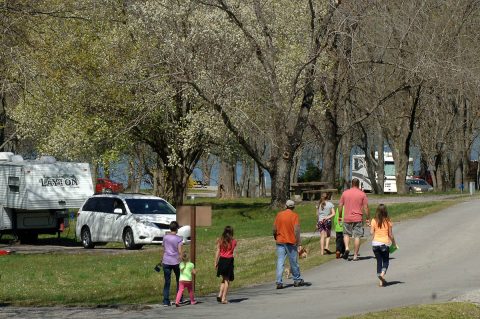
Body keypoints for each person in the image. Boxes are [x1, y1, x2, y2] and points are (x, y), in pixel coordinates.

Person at [273, 199, 305, 289]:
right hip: (290, 241)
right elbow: (297, 230)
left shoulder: (279, 215)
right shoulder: (294, 216)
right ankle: (297, 280)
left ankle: (279, 282)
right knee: (293, 261)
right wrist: (299, 243)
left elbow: (274, 228)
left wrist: (275, 236)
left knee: (280, 261)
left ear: (286, 206)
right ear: (293, 207)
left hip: (280, 241)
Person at [338, 178, 370, 261]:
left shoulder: (345, 193)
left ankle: (347, 248)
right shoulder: (362, 194)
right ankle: (355, 255)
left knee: (346, 234)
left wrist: (340, 216)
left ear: (351, 184)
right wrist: (367, 218)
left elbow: (340, 205)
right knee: (357, 236)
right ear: (358, 184)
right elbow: (366, 207)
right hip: (358, 218)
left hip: (347, 217)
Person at [370, 204, 396, 287]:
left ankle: (381, 280)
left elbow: (371, 232)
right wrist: (394, 243)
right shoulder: (388, 221)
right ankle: (382, 274)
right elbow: (390, 234)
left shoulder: (374, 220)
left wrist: (374, 232)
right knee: (386, 261)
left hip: (375, 244)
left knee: (379, 261)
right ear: (385, 211)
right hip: (384, 244)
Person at [162, 221, 183, 307]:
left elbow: (164, 249)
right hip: (176, 261)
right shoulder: (179, 239)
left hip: (166, 260)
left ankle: (166, 301)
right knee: (179, 280)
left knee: (167, 281)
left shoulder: (165, 237)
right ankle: (179, 298)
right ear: (177, 229)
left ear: (170, 228)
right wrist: (182, 261)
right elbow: (180, 251)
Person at [215, 225, 236, 304]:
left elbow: (218, 251)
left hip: (221, 260)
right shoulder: (234, 241)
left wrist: (215, 262)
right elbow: (232, 251)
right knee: (227, 280)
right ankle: (223, 298)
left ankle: (220, 294)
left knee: (224, 278)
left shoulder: (221, 240)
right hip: (229, 261)